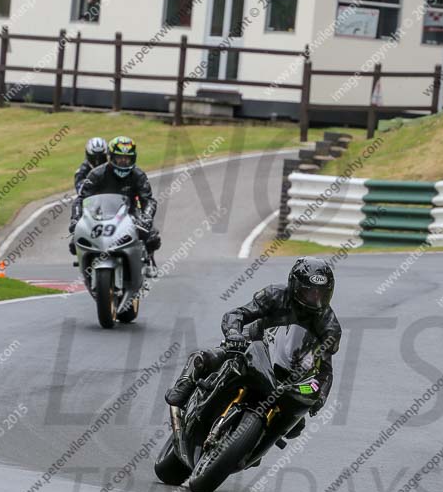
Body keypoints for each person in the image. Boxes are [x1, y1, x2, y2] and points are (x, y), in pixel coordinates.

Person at [166, 257, 341, 438]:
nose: (315, 298)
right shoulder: (275, 294)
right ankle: (185, 383)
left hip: (288, 372)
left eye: (320, 293)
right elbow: (238, 314)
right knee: (207, 358)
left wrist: (320, 396)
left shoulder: (329, 325)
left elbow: (325, 369)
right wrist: (234, 333)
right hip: (253, 345)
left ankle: (257, 441)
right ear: (295, 285)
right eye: (309, 291)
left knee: (296, 423)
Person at [69, 136, 161, 267]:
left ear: (133, 158)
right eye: (119, 158)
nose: (123, 161)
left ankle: (148, 260)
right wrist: (76, 219)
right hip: (100, 214)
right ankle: (87, 262)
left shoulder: (138, 175)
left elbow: (149, 200)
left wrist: (146, 217)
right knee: (74, 242)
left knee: (152, 238)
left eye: (127, 158)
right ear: (111, 157)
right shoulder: (96, 174)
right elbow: (81, 199)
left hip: (130, 213)